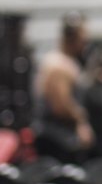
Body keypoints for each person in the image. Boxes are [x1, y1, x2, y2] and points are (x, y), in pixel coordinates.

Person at [32, 12, 95, 161]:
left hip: (58, 134)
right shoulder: (58, 65)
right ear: (72, 38)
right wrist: (81, 121)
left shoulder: (66, 63)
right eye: (82, 38)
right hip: (56, 137)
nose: (85, 43)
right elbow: (61, 105)